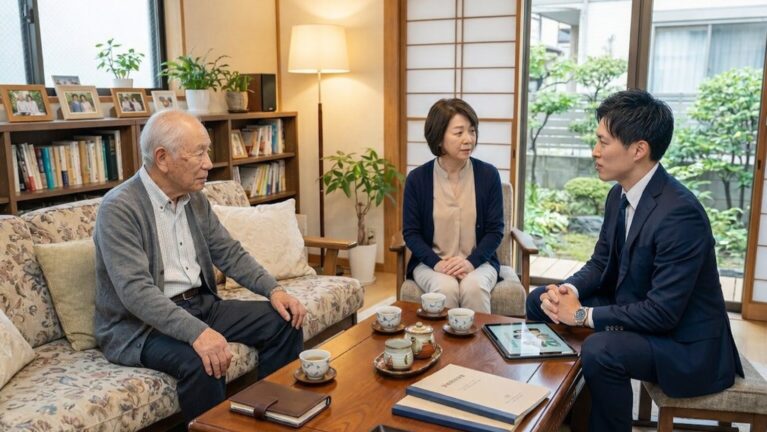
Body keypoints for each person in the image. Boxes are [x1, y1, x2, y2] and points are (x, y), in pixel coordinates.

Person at [526, 89, 743, 431]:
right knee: (539, 300)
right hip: (636, 306)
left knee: (602, 350)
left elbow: (663, 312)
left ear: (639, 149)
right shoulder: (618, 195)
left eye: (603, 142)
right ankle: (563, 410)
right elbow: (600, 263)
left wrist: (582, 314)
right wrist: (567, 291)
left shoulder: (680, 213)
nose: (594, 151)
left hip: (683, 342)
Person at [93, 109, 306, 423]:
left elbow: (229, 253)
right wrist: (198, 333)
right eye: (199, 153)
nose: (209, 163)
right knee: (202, 360)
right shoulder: (119, 208)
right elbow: (136, 292)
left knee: (285, 321)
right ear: (162, 158)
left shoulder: (194, 198)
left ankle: (271, 418)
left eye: (207, 152)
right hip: (141, 327)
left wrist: (274, 290)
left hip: (200, 305)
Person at [402, 98, 504, 313]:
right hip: (431, 263)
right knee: (445, 288)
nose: (468, 139)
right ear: (439, 138)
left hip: (478, 263)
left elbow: (495, 231)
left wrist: (470, 263)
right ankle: (443, 338)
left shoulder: (488, 175)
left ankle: (480, 338)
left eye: (472, 131)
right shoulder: (417, 179)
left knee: (474, 287)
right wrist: (437, 263)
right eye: (459, 133)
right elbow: (411, 233)